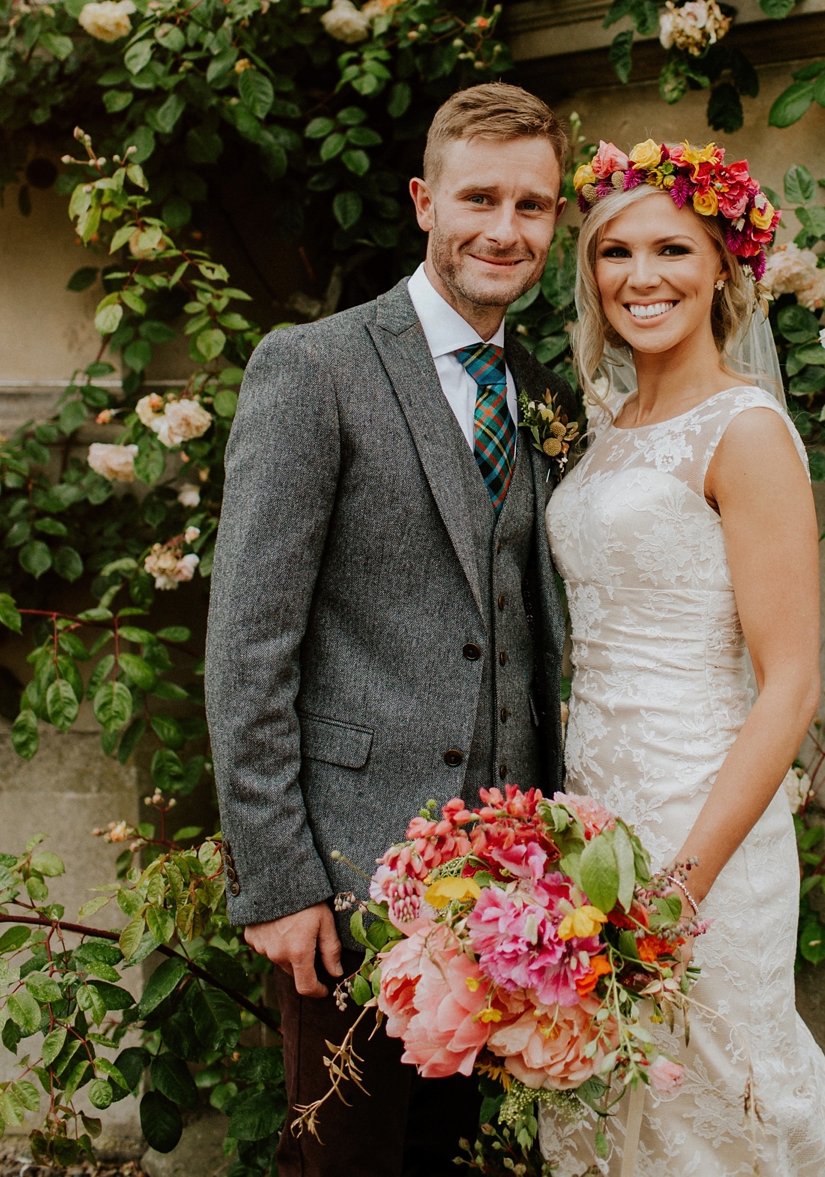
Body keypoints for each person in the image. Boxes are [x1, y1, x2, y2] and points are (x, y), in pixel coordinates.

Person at [204, 82, 576, 1177]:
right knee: (347, 1159)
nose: (505, 230)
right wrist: (277, 881)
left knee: (460, 1161)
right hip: (344, 874)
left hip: (509, 892)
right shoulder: (313, 367)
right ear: (424, 201)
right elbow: (247, 643)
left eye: (535, 206)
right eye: (480, 198)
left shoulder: (543, 391)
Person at [542, 138, 825, 1176]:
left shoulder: (746, 429)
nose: (642, 277)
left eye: (672, 249)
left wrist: (680, 890)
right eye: (614, 252)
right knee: (608, 1098)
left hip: (702, 819)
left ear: (724, 264)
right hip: (595, 810)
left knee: (708, 1108)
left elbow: (791, 683)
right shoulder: (612, 419)